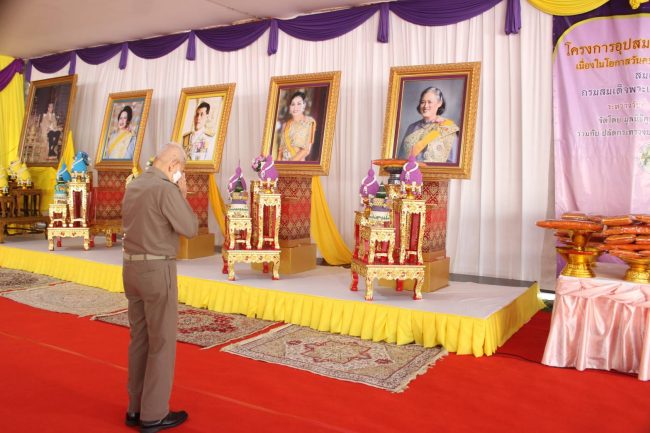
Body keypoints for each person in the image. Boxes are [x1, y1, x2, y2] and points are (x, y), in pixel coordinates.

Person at [121, 143, 198, 433]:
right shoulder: (166, 189)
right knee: (162, 342)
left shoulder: (135, 184)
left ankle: (135, 408)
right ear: (174, 166)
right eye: (182, 170)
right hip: (157, 270)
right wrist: (183, 194)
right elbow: (189, 227)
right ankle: (153, 414)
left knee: (139, 340)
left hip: (131, 268)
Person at [397, 87, 460, 163]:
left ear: (439, 103)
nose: (425, 106)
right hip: (409, 173)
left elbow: (453, 162)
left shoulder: (448, 127)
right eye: (423, 102)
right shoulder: (412, 127)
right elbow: (401, 158)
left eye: (429, 102)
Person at [277, 91, 316, 162]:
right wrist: (278, 167)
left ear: (304, 105)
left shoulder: (309, 122)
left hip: (298, 164)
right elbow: (281, 150)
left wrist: (290, 163)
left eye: (299, 104)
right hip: (283, 164)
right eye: (293, 104)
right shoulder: (285, 125)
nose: (295, 107)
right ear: (289, 107)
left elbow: (306, 150)